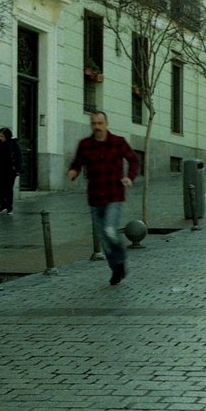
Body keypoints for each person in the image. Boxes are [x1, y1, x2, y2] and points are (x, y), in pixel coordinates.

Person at [67, 111, 140, 286]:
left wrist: (129, 177)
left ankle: (121, 261)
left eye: (100, 123)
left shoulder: (118, 142)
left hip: (114, 195)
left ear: (106, 124)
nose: (97, 127)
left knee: (110, 230)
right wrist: (73, 171)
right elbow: (77, 162)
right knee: (104, 239)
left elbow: (134, 160)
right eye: (94, 124)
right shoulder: (85, 145)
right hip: (94, 197)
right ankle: (116, 269)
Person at [0, 127, 23, 214]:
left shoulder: (13, 144)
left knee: (8, 189)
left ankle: (9, 207)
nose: (1, 138)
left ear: (7, 136)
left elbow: (19, 157)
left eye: (2, 136)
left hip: (10, 170)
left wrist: (18, 169)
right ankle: (2, 205)